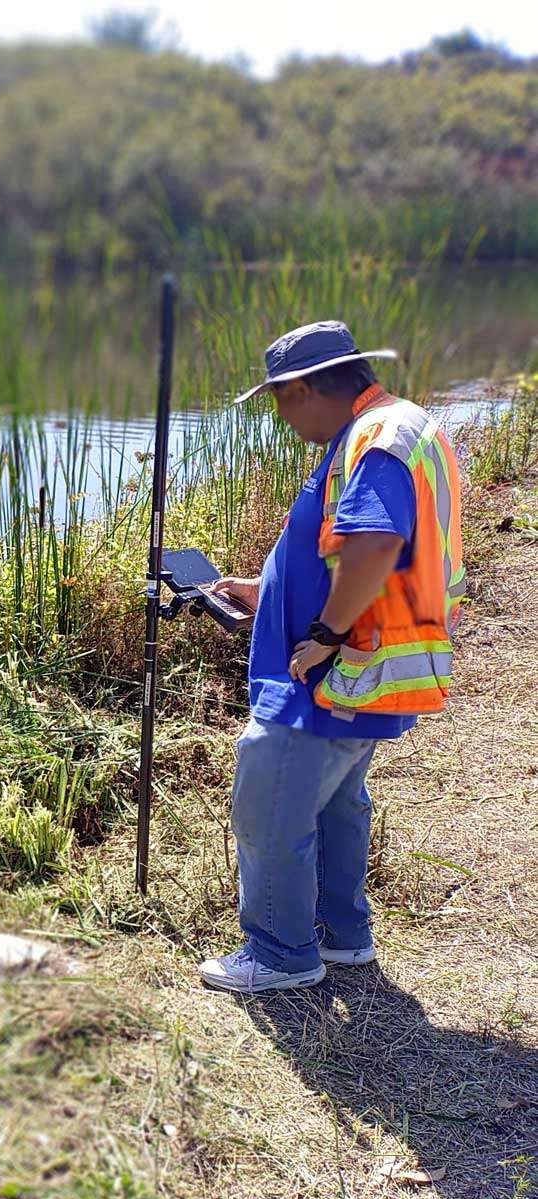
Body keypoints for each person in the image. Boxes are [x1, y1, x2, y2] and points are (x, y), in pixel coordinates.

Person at [199, 320, 464, 995]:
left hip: (335, 671)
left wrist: (326, 630)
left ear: (308, 387)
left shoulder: (378, 439)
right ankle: (342, 934)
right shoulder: (393, 426)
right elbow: (341, 550)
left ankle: (282, 954)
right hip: (366, 671)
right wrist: (269, 589)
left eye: (281, 402)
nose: (283, 419)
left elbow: (374, 544)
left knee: (270, 805)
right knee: (337, 803)